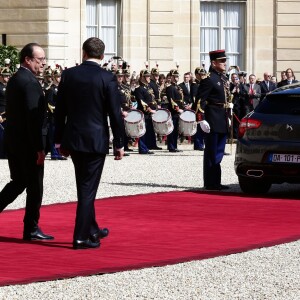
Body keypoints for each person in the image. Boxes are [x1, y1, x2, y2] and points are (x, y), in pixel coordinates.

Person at [54, 37, 125, 249]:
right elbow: (115, 113)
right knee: (88, 188)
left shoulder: (69, 74)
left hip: (74, 138)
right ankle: (80, 236)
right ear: (102, 56)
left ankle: (92, 228)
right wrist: (119, 143)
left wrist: (58, 141)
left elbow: (60, 111)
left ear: (83, 53)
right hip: (95, 139)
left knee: (85, 186)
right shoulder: (106, 77)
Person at [0, 42, 54, 241]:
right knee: (34, 186)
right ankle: (31, 228)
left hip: (14, 140)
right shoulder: (29, 82)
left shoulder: (16, 78)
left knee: (18, 182)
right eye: (40, 59)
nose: (43, 63)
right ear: (27, 59)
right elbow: (34, 119)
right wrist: (39, 148)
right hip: (28, 144)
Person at [195, 49, 231, 191]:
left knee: (219, 152)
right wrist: (200, 119)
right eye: (221, 61)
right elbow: (199, 101)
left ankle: (216, 181)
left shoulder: (223, 78)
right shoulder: (209, 79)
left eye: (224, 60)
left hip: (222, 117)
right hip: (212, 118)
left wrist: (228, 114)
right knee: (211, 151)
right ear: (214, 63)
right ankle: (210, 182)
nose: (224, 63)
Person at [0, 67, 11, 158]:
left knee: (7, 134)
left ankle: (5, 152)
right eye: (5, 76)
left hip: (8, 113)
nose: (7, 77)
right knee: (1, 134)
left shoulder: (8, 86)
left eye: (8, 76)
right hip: (1, 114)